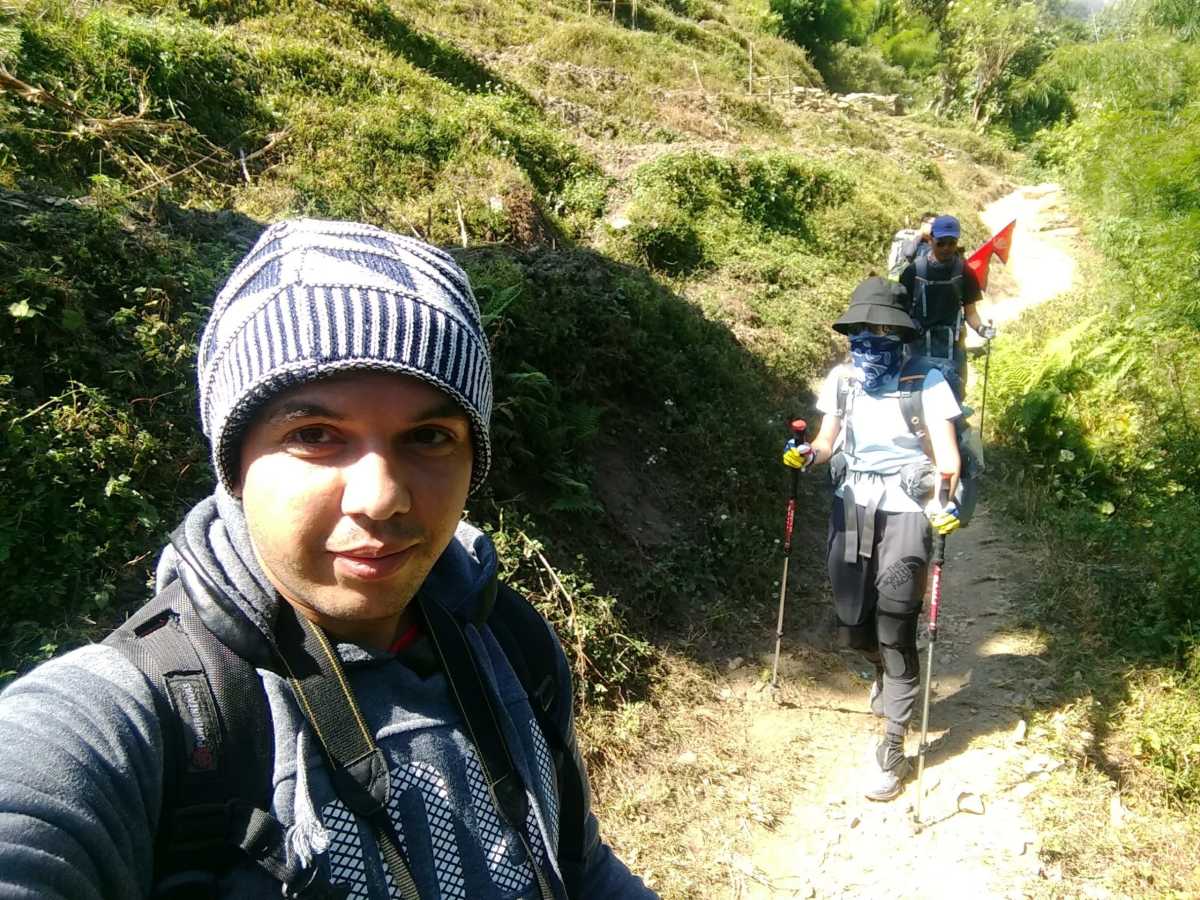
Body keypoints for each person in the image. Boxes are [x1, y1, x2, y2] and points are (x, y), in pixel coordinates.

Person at [0, 219, 658, 899]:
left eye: (429, 437)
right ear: (235, 466)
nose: (381, 498)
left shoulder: (510, 643)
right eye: (315, 435)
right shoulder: (137, 721)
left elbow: (580, 869)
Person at [781, 276, 962, 802]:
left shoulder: (927, 381)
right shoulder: (843, 380)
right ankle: (881, 671)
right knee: (852, 623)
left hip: (907, 510)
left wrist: (945, 502)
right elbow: (826, 441)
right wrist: (806, 456)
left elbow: (947, 459)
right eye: (859, 330)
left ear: (900, 333)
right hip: (852, 506)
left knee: (895, 624)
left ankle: (893, 747)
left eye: (879, 330)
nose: (867, 341)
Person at [897, 214, 996, 393]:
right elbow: (900, 311)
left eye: (951, 243)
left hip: (952, 346)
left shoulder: (964, 272)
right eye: (941, 243)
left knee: (954, 393)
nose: (946, 248)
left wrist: (981, 329)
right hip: (919, 346)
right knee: (918, 394)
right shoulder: (913, 272)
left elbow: (970, 312)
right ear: (931, 240)